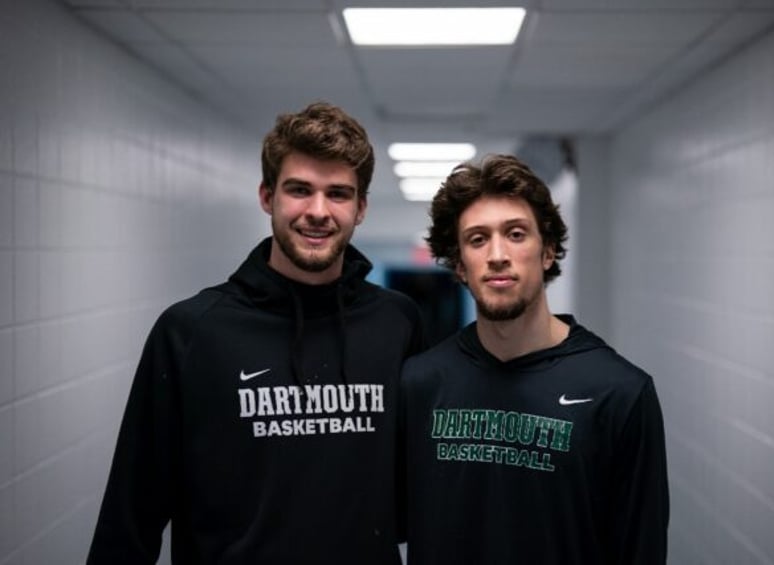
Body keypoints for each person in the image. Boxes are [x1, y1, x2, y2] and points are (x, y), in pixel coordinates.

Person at [88, 101, 425, 564]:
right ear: (267, 197)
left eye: (339, 194)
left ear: (361, 208)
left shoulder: (399, 323)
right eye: (300, 190)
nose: (318, 211)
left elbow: (428, 488)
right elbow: (130, 517)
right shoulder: (190, 332)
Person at [401, 154, 668, 564]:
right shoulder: (419, 383)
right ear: (459, 266)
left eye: (516, 234)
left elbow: (639, 549)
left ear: (547, 252)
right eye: (477, 239)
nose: (497, 255)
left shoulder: (619, 393)